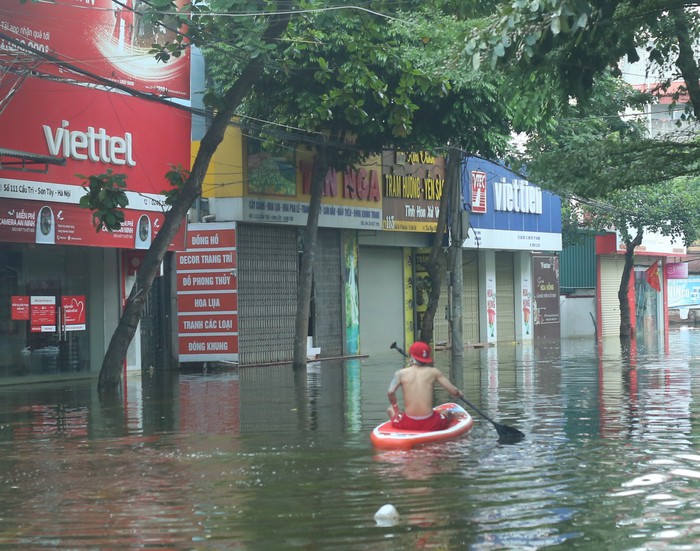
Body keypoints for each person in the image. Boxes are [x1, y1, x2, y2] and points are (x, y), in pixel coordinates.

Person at [387, 341, 464, 431]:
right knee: (448, 413)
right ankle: (448, 415)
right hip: (431, 424)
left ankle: (395, 413)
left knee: (390, 409)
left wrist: (395, 407)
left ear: (411, 357)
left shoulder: (400, 373)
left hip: (408, 424)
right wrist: (460, 394)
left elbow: (391, 392)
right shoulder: (434, 372)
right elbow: (454, 392)